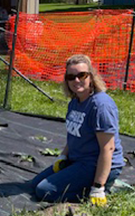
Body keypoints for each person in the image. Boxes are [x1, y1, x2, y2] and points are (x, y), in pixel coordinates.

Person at [30, 54, 123, 205]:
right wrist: (63, 156)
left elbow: (108, 148)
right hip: (77, 160)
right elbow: (75, 134)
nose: (76, 80)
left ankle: (105, 186)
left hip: (95, 164)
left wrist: (98, 186)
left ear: (91, 76)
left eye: (82, 75)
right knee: (35, 184)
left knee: (44, 191)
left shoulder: (101, 105)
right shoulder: (75, 101)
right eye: (71, 77)